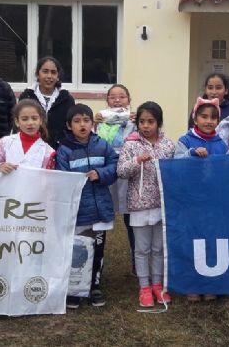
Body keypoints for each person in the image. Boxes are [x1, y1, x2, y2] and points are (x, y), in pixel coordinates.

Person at [56, 104, 119, 308]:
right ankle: (75, 289)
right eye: (77, 121)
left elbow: (115, 164)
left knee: (98, 249)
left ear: (93, 123)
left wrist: (100, 174)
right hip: (78, 211)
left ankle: (94, 285)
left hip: (100, 209)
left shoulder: (102, 145)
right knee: (78, 249)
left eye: (86, 120)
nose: (82, 125)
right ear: (69, 125)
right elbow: (62, 177)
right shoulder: (64, 150)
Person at [117, 101, 175, 308]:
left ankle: (158, 285)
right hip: (139, 204)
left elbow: (175, 172)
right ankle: (144, 287)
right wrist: (137, 161)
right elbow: (121, 171)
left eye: (151, 121)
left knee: (158, 248)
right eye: (142, 121)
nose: (146, 126)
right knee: (142, 249)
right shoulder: (130, 144)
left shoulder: (168, 145)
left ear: (158, 123)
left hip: (161, 205)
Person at [177, 97, 228, 301]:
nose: (208, 121)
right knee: (192, 239)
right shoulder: (185, 140)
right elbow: (175, 162)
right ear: (195, 118)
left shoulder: (221, 144)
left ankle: (209, 282)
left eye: (213, 117)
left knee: (211, 239)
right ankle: (192, 283)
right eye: (204, 116)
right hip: (191, 200)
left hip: (212, 201)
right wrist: (191, 154)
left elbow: (226, 169)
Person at [94, 84, 136, 276]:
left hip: (129, 172)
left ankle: (138, 262)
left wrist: (140, 118)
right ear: (107, 100)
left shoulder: (135, 120)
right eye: (113, 97)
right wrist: (93, 124)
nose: (117, 100)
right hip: (106, 170)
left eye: (122, 97)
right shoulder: (99, 120)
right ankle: (96, 262)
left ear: (129, 100)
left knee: (132, 217)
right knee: (102, 216)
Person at [19, 57, 75, 149]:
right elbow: (18, 126)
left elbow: (71, 128)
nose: (49, 76)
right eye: (45, 71)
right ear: (38, 74)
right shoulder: (26, 97)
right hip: (30, 150)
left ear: (58, 76)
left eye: (53, 72)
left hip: (59, 152)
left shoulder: (67, 99)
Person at [0, 99, 56, 172]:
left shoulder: (48, 152)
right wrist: (0, 167)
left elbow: (47, 179)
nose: (30, 123)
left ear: (41, 120)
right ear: (17, 122)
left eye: (34, 118)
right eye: (24, 119)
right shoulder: (5, 142)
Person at [189, 73, 229, 151]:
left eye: (218, 88)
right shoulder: (198, 107)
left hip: (225, 158)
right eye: (210, 88)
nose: (214, 92)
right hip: (200, 156)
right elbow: (191, 133)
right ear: (205, 90)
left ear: (226, 91)